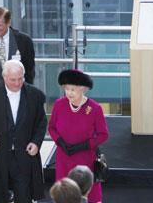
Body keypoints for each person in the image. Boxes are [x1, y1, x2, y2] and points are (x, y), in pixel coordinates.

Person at [0, 60, 47, 203]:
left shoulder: (34, 95)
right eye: (13, 79)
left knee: (24, 196)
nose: (17, 83)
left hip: (23, 156)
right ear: (4, 77)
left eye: (20, 78)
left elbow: (41, 123)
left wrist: (36, 143)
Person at [48, 69, 109, 203]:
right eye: (66, 89)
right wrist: (60, 142)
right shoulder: (59, 104)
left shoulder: (95, 108)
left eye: (73, 89)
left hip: (85, 159)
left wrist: (84, 145)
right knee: (64, 196)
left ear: (83, 89)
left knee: (89, 195)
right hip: (64, 158)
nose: (69, 93)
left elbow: (103, 135)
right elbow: (51, 127)